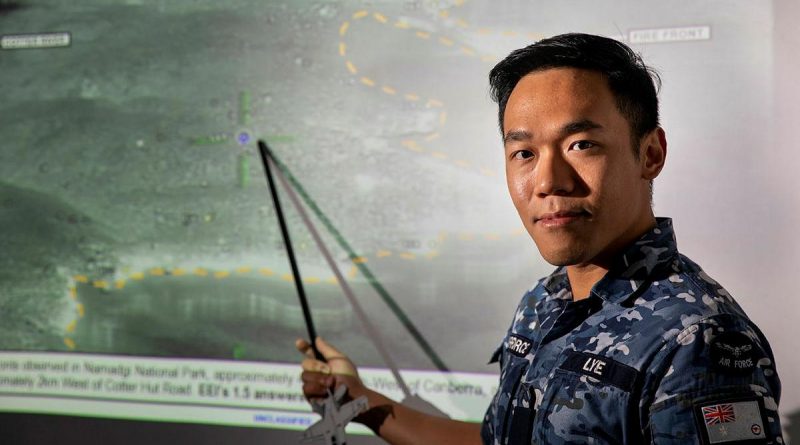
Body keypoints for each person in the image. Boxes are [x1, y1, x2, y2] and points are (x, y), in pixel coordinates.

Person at [296, 33, 783, 444]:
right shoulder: (545, 300)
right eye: (524, 152)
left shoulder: (698, 337)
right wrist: (357, 401)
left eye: (581, 145)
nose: (549, 180)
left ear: (650, 153)